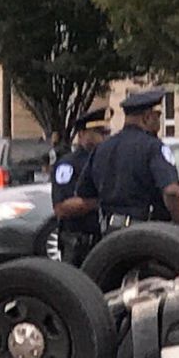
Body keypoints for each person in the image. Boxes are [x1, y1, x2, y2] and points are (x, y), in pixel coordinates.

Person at [75, 88, 179, 233]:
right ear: (146, 118)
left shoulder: (102, 148)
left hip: (110, 233)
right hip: (147, 233)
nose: (158, 122)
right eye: (157, 116)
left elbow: (84, 193)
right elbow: (172, 192)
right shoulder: (153, 147)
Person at [50, 108, 110, 265]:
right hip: (79, 244)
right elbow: (62, 208)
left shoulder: (106, 161)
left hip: (105, 241)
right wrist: (100, 201)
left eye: (106, 132)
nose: (104, 137)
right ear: (82, 134)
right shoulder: (69, 165)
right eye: (98, 132)